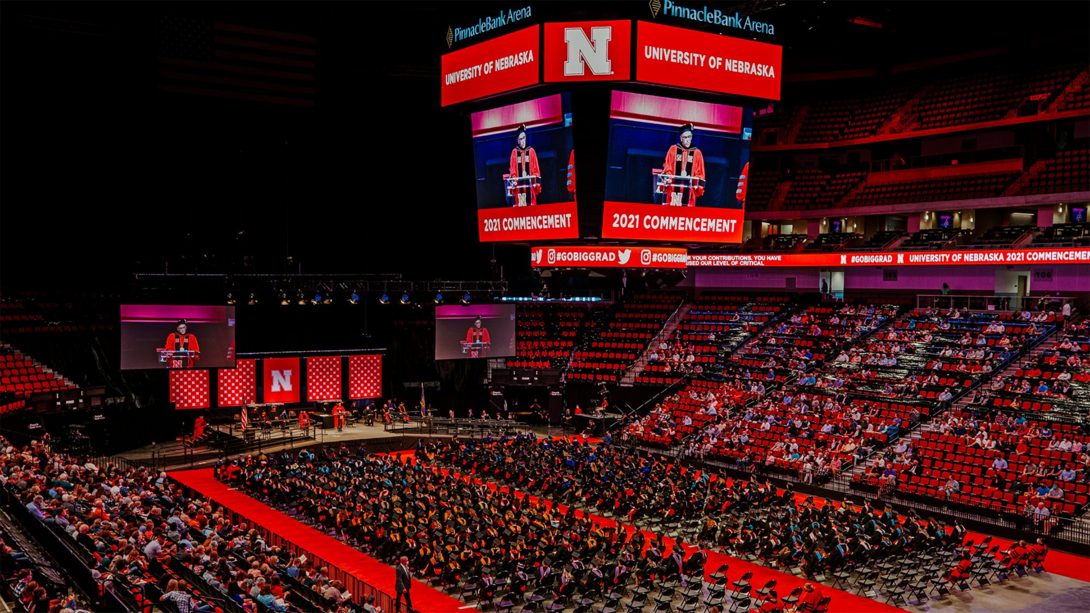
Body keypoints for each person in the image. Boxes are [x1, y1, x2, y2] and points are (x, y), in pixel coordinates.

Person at [660, 123, 705, 206]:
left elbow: (700, 174)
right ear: (681, 138)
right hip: (673, 191)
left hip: (689, 194)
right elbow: (667, 169)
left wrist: (696, 182)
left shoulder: (697, 153)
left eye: (689, 137)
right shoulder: (673, 149)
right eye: (685, 137)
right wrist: (668, 179)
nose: (687, 140)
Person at [508, 124, 541, 206]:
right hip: (519, 190)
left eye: (524, 138)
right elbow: (512, 170)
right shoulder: (514, 152)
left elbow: (536, 169)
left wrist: (534, 182)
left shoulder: (531, 151)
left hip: (529, 188)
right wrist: (514, 182)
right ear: (518, 140)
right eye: (520, 139)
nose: (523, 141)